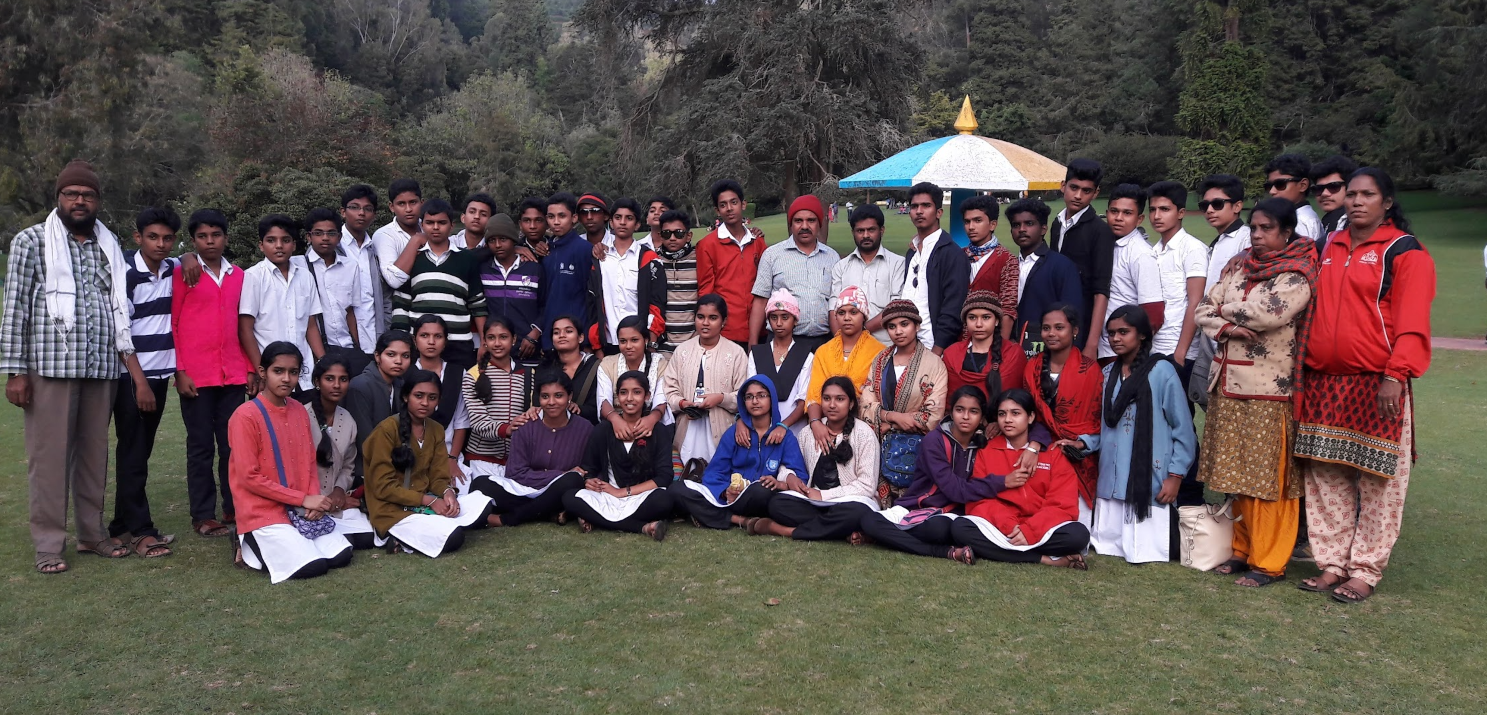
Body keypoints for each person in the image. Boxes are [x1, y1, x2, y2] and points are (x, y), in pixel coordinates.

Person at [1293, 167, 1435, 604]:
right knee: (1325, 476)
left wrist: (1396, 375)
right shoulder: (1330, 245)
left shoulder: (1405, 252)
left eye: (1367, 195)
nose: (1356, 201)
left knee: (1379, 481)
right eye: (1351, 194)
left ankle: (1365, 570)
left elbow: (1413, 322)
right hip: (1324, 380)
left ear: (1386, 202)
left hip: (1378, 382)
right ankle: (1331, 564)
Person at [2, 160, 140, 571]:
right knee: (49, 460)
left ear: (98, 201)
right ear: (58, 197)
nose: (80, 201)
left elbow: (116, 304)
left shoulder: (108, 244)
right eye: (72, 194)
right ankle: (48, 545)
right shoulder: (32, 241)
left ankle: (91, 535)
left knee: (94, 457)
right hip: (51, 367)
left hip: (100, 367)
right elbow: (15, 307)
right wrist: (15, 371)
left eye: (88, 195)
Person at [1195, 198, 1318, 587]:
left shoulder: (1296, 275)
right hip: (1226, 383)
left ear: (1287, 232)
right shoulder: (1240, 266)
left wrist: (1223, 310)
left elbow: (1268, 313)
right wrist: (1229, 324)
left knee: (1268, 480)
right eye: (1254, 228)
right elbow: (1202, 309)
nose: (1258, 235)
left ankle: (1269, 562)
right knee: (1234, 473)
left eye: (1267, 228)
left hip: (1269, 391)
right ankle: (1242, 550)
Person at [1054, 305, 1196, 564]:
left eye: (1123, 332)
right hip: (1112, 478)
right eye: (1111, 333)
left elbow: (1184, 430)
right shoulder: (1107, 373)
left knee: (1148, 546)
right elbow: (1103, 427)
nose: (1116, 339)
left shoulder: (1162, 371)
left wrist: (1175, 476)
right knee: (1108, 545)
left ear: (1142, 334)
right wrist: (1081, 442)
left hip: (1150, 478)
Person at [228, 342, 354, 582]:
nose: (286, 379)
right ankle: (247, 539)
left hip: (299, 508)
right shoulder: (245, 416)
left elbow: (309, 464)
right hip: (263, 511)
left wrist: (314, 502)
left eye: (293, 372)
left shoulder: (298, 410)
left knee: (341, 556)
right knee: (313, 567)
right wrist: (302, 499)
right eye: (278, 371)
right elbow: (248, 477)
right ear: (262, 372)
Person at [172, 208, 252, 537]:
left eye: (216, 235)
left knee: (233, 446)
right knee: (201, 446)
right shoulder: (183, 273)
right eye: (202, 237)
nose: (210, 242)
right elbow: (173, 324)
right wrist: (180, 371)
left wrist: (250, 369)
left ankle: (234, 506)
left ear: (226, 238)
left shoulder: (239, 276)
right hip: (196, 376)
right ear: (193, 241)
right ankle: (203, 515)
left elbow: (245, 325)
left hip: (233, 374)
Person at [109, 207, 182, 558]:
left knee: (138, 451)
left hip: (159, 376)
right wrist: (139, 383)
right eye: (153, 237)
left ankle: (120, 526)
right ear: (138, 237)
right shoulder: (125, 273)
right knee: (134, 453)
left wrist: (190, 256)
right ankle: (141, 532)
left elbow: (189, 259)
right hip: (133, 379)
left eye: (167, 238)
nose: (160, 244)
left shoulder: (172, 269)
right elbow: (121, 332)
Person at [952, 388, 1090, 569]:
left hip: (1041, 528)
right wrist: (1010, 526)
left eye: (1015, 413)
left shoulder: (1053, 454)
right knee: (961, 528)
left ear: (1030, 417)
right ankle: (1044, 559)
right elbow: (980, 500)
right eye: (1002, 414)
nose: (1007, 420)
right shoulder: (987, 452)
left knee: (1078, 535)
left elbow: (1063, 504)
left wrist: (1031, 530)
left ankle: (1007, 550)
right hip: (1003, 528)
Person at [857, 386, 998, 564]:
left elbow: (959, 494)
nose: (965, 416)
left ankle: (886, 537)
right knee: (869, 521)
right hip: (914, 507)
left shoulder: (984, 446)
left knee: (938, 530)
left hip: (949, 514)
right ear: (951, 412)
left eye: (973, 411)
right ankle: (945, 552)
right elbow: (953, 488)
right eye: (960, 410)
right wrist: (1002, 482)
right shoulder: (935, 440)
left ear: (982, 417)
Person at [362, 369, 493, 557]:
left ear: (438, 401)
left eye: (432, 398)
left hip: (425, 503)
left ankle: (424, 530)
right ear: (406, 397)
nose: (425, 403)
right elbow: (383, 488)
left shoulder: (436, 429)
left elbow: (438, 477)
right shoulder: (387, 430)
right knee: (454, 538)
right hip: (393, 510)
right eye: (419, 396)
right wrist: (429, 501)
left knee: (483, 504)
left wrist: (448, 494)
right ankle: (397, 536)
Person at [749, 376, 881, 540]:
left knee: (857, 513)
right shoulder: (808, 433)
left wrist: (823, 496)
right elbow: (787, 465)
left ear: (851, 404)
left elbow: (867, 486)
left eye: (840, 399)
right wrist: (789, 477)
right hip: (812, 502)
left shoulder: (864, 434)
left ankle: (784, 530)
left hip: (849, 502)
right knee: (777, 504)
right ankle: (842, 531)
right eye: (826, 399)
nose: (832, 405)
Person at [671, 375, 807, 530]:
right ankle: (739, 520)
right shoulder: (734, 433)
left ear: (772, 399)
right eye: (749, 397)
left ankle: (713, 515)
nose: (755, 401)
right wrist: (725, 492)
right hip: (730, 498)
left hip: (760, 498)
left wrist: (779, 484)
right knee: (677, 489)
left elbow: (800, 476)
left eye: (761, 395)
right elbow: (714, 472)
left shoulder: (785, 437)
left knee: (761, 489)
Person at [561, 371, 677, 539]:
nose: (629, 398)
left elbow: (664, 477)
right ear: (617, 397)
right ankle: (642, 527)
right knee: (570, 497)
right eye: (623, 392)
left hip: (641, 496)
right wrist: (589, 481)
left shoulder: (659, 430)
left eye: (636, 392)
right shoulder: (603, 429)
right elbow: (588, 468)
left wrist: (622, 492)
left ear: (647, 396)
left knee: (664, 500)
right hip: (607, 496)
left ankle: (597, 519)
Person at [474, 369, 590, 527]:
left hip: (560, 490)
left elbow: (585, 472)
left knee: (573, 481)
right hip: (523, 490)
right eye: (545, 396)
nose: (551, 402)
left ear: (569, 396)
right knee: (480, 484)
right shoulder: (525, 425)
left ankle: (507, 519)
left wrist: (566, 478)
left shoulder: (585, 428)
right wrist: (560, 474)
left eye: (558, 396)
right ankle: (548, 512)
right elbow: (514, 473)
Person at [860, 300, 949, 504]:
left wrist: (890, 424)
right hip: (879, 443)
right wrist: (891, 416)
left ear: (917, 326)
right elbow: (865, 402)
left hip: (915, 447)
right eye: (892, 326)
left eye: (904, 324)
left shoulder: (934, 364)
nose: (898, 331)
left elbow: (933, 416)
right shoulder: (880, 360)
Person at [1022, 303, 1103, 523]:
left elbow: (1096, 422)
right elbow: (1029, 416)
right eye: (1046, 328)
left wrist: (1078, 443)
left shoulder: (1090, 371)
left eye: (1059, 327)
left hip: (1078, 455)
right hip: (1039, 451)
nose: (1051, 333)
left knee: (1074, 523)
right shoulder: (1032, 367)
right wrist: (1036, 444)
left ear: (1074, 330)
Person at [390, 199, 487, 370]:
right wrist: (401, 341)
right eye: (430, 223)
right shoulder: (413, 257)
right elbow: (401, 303)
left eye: (441, 223)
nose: (435, 227)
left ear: (451, 225)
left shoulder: (467, 259)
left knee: (457, 385)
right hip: (419, 344)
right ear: (422, 225)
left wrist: (484, 342)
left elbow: (477, 304)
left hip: (458, 343)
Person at [662, 294, 749, 476]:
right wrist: (683, 403)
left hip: (722, 428)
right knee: (688, 475)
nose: (705, 323)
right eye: (700, 317)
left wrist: (721, 398)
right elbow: (669, 389)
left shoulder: (736, 353)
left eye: (713, 318)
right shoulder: (682, 351)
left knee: (717, 476)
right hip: (688, 427)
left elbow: (745, 395)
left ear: (724, 321)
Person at [239, 214, 325, 394]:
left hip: (304, 373)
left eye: (285, 240)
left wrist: (324, 362)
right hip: (270, 374)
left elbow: (310, 325)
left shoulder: (305, 276)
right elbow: (246, 329)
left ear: (294, 244)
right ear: (261, 245)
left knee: (306, 411)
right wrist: (260, 371)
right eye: (271, 240)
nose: (279, 246)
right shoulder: (253, 276)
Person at [302, 354, 376, 550]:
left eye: (343, 379)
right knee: (342, 544)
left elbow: (348, 466)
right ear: (317, 382)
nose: (337, 385)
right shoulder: (301, 417)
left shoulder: (348, 420)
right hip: (307, 501)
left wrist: (339, 491)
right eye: (329, 379)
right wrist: (317, 500)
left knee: (367, 538)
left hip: (335, 502)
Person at [749, 194, 839, 351]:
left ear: (819, 223)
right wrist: (753, 342)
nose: (804, 226)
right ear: (791, 224)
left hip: (824, 344)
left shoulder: (832, 257)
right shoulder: (772, 255)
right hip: (783, 343)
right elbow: (760, 301)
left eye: (811, 220)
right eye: (798, 221)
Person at [804, 287, 886, 452]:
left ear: (864, 316)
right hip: (827, 427)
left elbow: (879, 397)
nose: (847, 318)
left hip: (865, 426)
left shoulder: (880, 352)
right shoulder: (823, 351)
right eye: (841, 313)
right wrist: (815, 423)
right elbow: (814, 395)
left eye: (853, 312)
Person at [1049, 159, 1116, 357]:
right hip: (1054, 320)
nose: (1078, 196)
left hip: (1081, 323)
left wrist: (1092, 344)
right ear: (1063, 186)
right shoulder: (1057, 223)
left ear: (1095, 193)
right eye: (1074, 188)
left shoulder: (1100, 231)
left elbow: (1101, 289)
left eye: (1086, 191)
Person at [587, 197, 668, 353]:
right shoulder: (600, 258)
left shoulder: (649, 258)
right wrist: (597, 348)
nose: (623, 222)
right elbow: (593, 302)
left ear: (637, 225)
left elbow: (657, 302)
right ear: (611, 222)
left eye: (629, 218)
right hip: (609, 342)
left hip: (640, 341)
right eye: (618, 217)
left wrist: (651, 342)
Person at [695, 179, 767, 345]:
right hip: (727, 331)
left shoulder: (757, 242)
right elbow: (706, 291)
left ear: (743, 204)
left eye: (733, 202)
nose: (729, 208)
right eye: (723, 205)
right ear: (717, 210)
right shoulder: (707, 245)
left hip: (760, 327)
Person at [1098, 185, 1164, 364]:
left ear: (1139, 218)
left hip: (1123, 353)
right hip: (1102, 347)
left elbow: (1153, 312)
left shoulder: (1141, 253)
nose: (1119, 218)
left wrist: (1133, 353)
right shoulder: (1105, 244)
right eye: (1114, 211)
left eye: (1127, 213)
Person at [901, 182, 971, 353]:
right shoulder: (911, 253)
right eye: (914, 206)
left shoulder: (952, 254)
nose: (919, 211)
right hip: (904, 344)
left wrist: (937, 351)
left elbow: (953, 307)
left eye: (926, 205)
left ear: (939, 212)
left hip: (934, 347)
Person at [1007, 199, 1082, 355]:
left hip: (1048, 353)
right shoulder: (1009, 264)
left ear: (1043, 229)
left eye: (1029, 223)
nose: (1022, 229)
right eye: (1016, 225)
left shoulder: (1062, 265)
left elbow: (1073, 315)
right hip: (1013, 351)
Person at [1146, 181, 1207, 370]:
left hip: (1180, 352)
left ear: (1180, 213)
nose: (1157, 216)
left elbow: (1196, 302)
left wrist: (1180, 352)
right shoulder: (1153, 251)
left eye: (1164, 209)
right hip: (1154, 347)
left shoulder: (1193, 249)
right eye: (1153, 209)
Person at [828, 204, 905, 344]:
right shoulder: (841, 267)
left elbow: (895, 307)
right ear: (853, 232)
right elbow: (833, 309)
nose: (865, 235)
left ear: (881, 230)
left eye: (871, 230)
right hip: (848, 347)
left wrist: (861, 332)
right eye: (860, 231)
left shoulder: (897, 264)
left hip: (885, 346)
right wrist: (840, 343)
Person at [343, 330, 413, 479]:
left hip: (395, 466)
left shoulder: (400, 385)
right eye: (391, 354)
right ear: (377, 356)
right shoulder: (360, 386)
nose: (398, 361)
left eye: (405, 356)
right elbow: (365, 441)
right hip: (365, 471)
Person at [300, 208, 364, 370]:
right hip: (312, 352)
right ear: (309, 237)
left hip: (346, 346)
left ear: (339, 237)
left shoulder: (351, 266)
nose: (325, 238)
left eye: (331, 233)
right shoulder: (297, 266)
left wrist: (357, 346)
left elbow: (350, 311)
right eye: (318, 233)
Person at [745, 289, 814, 438]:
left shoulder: (806, 356)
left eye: (785, 317)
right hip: (762, 431)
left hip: (795, 431)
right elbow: (750, 394)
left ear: (795, 320)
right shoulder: (757, 354)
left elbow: (804, 401)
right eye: (774, 317)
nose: (779, 323)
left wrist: (784, 426)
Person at [479, 213, 544, 364]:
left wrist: (535, 333)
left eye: (503, 239)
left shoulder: (533, 269)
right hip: (494, 353)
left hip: (527, 350)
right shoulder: (483, 270)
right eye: (492, 240)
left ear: (513, 239)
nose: (497, 245)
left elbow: (545, 305)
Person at [941, 290, 1026, 401]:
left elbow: (1016, 400)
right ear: (965, 321)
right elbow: (949, 400)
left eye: (986, 317)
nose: (978, 324)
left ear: (996, 321)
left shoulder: (1013, 353)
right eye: (972, 318)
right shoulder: (951, 354)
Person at [597, 315, 672, 438]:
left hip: (651, 425)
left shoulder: (660, 364)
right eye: (623, 341)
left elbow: (661, 399)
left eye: (634, 340)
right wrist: (616, 420)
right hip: (616, 425)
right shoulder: (607, 364)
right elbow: (603, 399)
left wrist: (651, 419)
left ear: (646, 340)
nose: (628, 346)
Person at [538, 193, 592, 349]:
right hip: (549, 336)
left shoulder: (584, 249)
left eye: (562, 216)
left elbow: (591, 296)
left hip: (576, 337)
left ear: (574, 218)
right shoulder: (545, 251)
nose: (556, 222)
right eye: (551, 216)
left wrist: (587, 338)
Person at [961, 195, 1019, 339]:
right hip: (957, 342)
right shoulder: (958, 256)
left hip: (990, 341)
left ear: (992, 225)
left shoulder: (1007, 260)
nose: (971, 227)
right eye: (967, 221)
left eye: (978, 220)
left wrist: (1000, 347)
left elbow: (1008, 309)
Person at [338, 184, 386, 356]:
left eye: (368, 209)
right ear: (343, 212)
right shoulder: (331, 248)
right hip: (341, 343)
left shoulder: (375, 248)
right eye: (354, 207)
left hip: (374, 340)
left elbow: (384, 297)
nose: (361, 213)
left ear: (374, 215)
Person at [410, 314, 466, 455]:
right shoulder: (406, 373)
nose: (431, 342)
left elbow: (461, 420)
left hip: (447, 452)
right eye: (424, 335)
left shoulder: (458, 373)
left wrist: (453, 458)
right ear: (414, 340)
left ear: (445, 341)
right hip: (410, 453)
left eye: (438, 336)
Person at [372, 178, 425, 321]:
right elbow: (394, 280)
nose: (408, 209)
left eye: (413, 202)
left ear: (422, 203)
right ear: (391, 207)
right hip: (399, 316)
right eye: (401, 204)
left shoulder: (431, 227)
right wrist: (416, 240)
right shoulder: (384, 235)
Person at [540, 315, 601, 423]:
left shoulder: (596, 366)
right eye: (556, 332)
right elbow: (538, 402)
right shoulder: (545, 365)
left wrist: (578, 409)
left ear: (581, 337)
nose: (562, 335)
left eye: (568, 331)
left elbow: (600, 407)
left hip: (586, 429)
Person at [652, 209, 700, 349]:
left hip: (694, 343)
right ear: (660, 236)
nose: (672, 238)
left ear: (688, 236)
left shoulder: (700, 259)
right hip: (662, 346)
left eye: (678, 233)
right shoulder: (653, 261)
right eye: (667, 234)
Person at [1199, 174, 1251, 292]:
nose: (1209, 210)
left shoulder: (1247, 239)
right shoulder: (1218, 242)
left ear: (1237, 206)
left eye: (1217, 204)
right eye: (1205, 205)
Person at [1263, 153, 1324, 242]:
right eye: (1269, 186)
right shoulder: (1305, 217)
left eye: (1280, 184)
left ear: (1303, 185)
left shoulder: (1299, 222)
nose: (1272, 191)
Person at [1309, 155, 1358, 252]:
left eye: (1333, 187)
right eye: (1318, 189)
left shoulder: (1352, 222)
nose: (1324, 194)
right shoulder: (1330, 219)